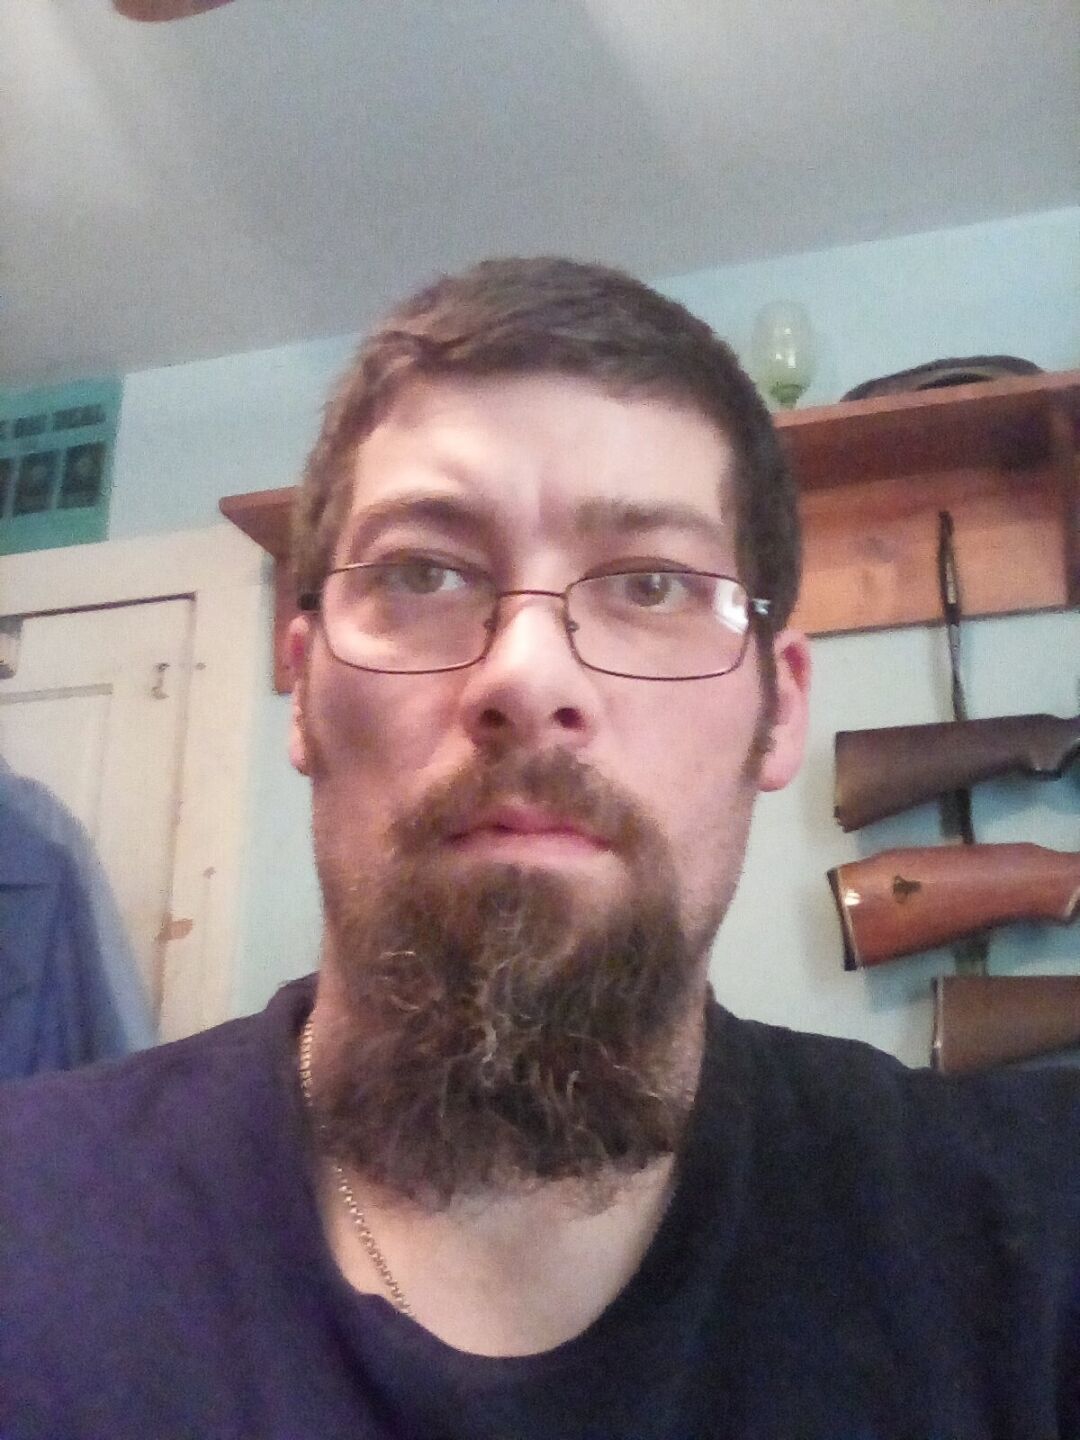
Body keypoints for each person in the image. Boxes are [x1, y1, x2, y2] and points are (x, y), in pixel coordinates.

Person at [1, 258, 1077, 1440]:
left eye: (652, 585)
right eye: (423, 572)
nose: (526, 672)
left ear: (779, 713)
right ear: (301, 690)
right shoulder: (29, 1228)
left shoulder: (1029, 1242)